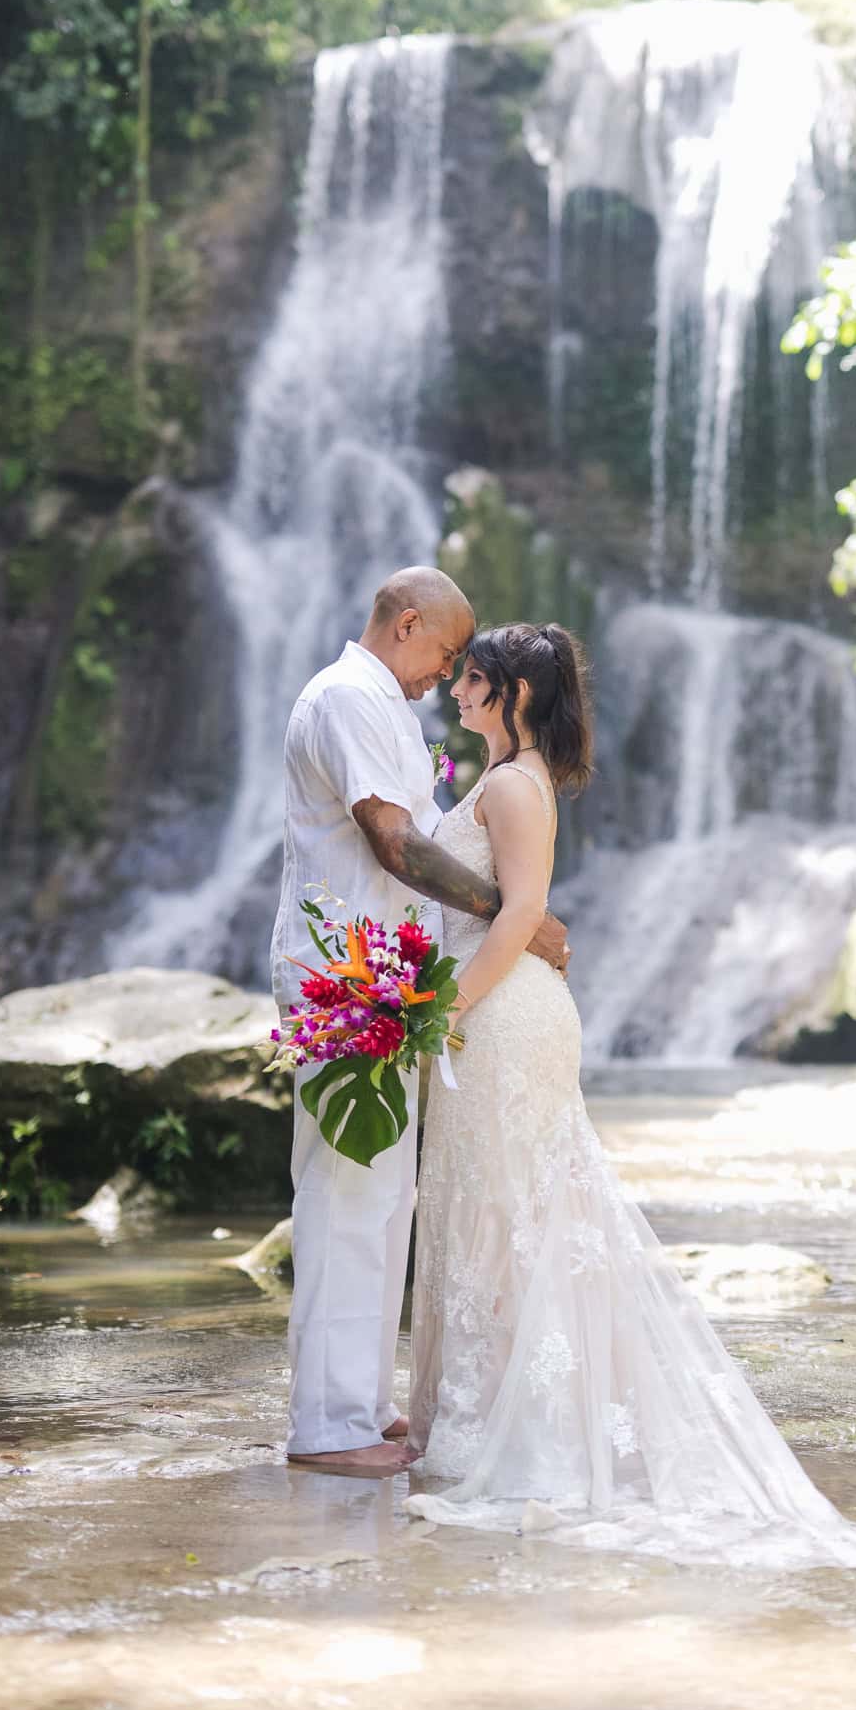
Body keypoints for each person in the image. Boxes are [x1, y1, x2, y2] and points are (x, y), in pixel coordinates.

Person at [404, 621, 856, 1569]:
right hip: (487, 1006)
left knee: (517, 1209)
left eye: (473, 679)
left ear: (515, 695)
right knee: (487, 1209)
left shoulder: (517, 788)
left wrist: (449, 1006)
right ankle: (473, 1412)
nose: (456, 689)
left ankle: (519, 1429)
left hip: (503, 1012)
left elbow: (523, 911)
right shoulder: (495, 781)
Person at [273, 568, 569, 1478]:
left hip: (388, 977)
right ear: (407, 624)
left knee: (382, 1198)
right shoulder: (349, 700)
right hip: (344, 977)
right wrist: (515, 916)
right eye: (443, 654)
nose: (446, 677)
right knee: (345, 1195)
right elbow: (396, 844)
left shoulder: (384, 706)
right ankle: (328, 1427)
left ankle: (357, 1405)